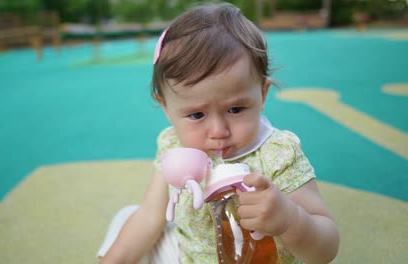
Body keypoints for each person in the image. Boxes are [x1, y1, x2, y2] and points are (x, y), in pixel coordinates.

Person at [98, 2, 339, 263]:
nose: (218, 131)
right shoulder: (174, 145)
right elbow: (150, 217)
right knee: (129, 217)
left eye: (235, 109)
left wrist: (290, 219)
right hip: (184, 256)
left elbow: (326, 249)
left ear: (262, 94)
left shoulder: (277, 154)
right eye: (197, 115)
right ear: (165, 107)